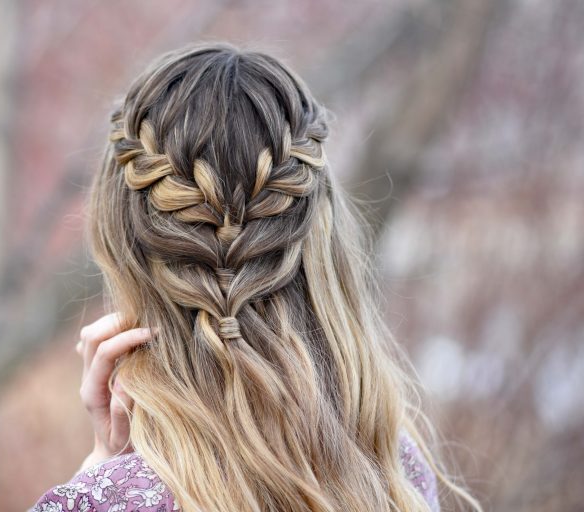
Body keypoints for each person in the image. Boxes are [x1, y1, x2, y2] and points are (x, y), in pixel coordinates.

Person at [29, 43, 480, 512]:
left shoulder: (96, 504)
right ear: (322, 245)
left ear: (123, 249)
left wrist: (101, 475)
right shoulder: (397, 474)